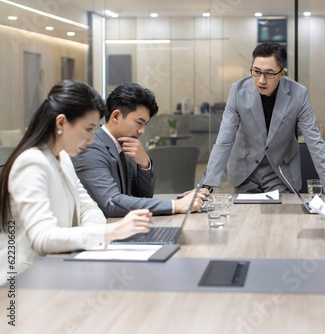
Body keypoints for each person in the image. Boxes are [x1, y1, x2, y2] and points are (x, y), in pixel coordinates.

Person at [0, 80, 152, 280]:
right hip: (24, 281)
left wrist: (92, 235)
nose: (91, 140)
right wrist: (111, 231)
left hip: (56, 269)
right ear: (61, 123)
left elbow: (90, 208)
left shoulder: (62, 158)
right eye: (88, 129)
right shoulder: (31, 163)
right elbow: (43, 238)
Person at [199, 42, 325, 197]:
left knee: (281, 219)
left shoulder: (298, 94)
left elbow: (314, 141)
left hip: (280, 172)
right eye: (256, 71)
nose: (261, 80)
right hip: (245, 171)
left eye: (269, 73)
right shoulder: (238, 91)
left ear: (282, 73)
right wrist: (207, 185)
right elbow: (224, 140)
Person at [72, 83, 203, 218]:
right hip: (102, 231)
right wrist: (175, 205)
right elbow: (111, 203)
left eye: (144, 124)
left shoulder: (124, 143)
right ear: (116, 116)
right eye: (139, 122)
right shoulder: (91, 147)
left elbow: (143, 195)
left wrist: (144, 163)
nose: (142, 131)